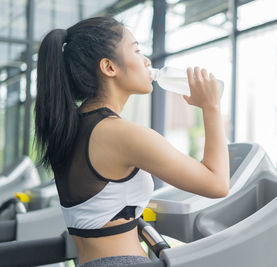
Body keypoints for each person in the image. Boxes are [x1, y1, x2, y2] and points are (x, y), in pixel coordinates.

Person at [34, 17, 229, 267]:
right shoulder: (121, 134)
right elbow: (217, 183)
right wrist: (211, 107)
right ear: (109, 67)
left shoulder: (73, 127)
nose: (147, 61)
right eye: (137, 50)